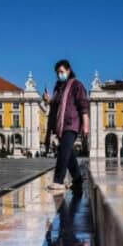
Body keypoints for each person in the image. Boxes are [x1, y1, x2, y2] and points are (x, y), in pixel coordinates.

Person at [43, 59, 89, 191]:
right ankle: (78, 180)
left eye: (61, 71)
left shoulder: (76, 85)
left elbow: (83, 105)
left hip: (72, 123)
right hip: (61, 125)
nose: (59, 74)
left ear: (68, 71)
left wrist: (86, 125)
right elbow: (56, 104)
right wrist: (48, 100)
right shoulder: (58, 88)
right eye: (57, 72)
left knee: (63, 151)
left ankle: (58, 181)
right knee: (68, 153)